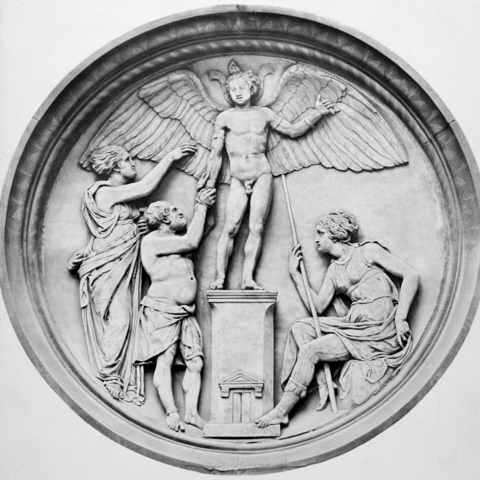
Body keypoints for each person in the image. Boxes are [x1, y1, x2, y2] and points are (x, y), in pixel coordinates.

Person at [255, 210, 419, 427]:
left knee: (311, 351)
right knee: (301, 327)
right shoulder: (334, 270)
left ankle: (282, 411)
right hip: (356, 325)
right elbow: (318, 307)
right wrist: (296, 275)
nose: (316, 239)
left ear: (335, 232)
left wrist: (401, 318)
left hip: (379, 328)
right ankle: (322, 380)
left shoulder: (368, 251)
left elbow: (411, 275)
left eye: (320, 233)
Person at [68, 143, 196, 404]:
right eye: (127, 159)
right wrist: (170, 157)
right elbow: (145, 188)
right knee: (120, 320)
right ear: (115, 166)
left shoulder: (125, 202)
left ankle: (120, 375)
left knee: (127, 320)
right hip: (107, 268)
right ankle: (110, 374)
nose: (132, 163)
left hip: (125, 267)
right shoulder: (103, 192)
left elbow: (120, 228)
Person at [198, 67, 337, 290]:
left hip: (262, 175)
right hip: (237, 178)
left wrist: (317, 113)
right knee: (230, 227)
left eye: (242, 87)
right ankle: (220, 278)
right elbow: (216, 154)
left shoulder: (264, 114)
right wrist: (211, 184)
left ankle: (247, 278)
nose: (237, 92)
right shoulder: (224, 118)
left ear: (252, 89)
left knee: (256, 228)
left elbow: (292, 131)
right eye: (233, 89)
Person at [133, 189, 216, 432]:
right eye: (175, 211)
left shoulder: (176, 244)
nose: (181, 213)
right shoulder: (153, 241)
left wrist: (206, 196)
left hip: (185, 312)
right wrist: (201, 205)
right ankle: (171, 413)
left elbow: (207, 224)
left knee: (195, 363)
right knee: (165, 361)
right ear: (164, 218)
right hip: (162, 310)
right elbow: (192, 240)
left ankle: (191, 414)